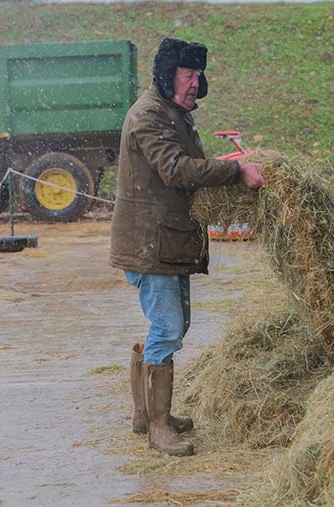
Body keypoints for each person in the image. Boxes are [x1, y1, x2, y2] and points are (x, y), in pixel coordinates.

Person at [109, 37, 265, 457]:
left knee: (174, 327)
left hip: (168, 238)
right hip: (149, 241)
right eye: (187, 74)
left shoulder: (175, 114)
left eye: (198, 74)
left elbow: (188, 167)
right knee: (167, 329)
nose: (196, 82)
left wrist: (227, 168)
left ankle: (147, 414)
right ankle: (159, 427)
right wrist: (234, 172)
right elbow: (176, 169)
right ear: (167, 74)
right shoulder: (149, 115)